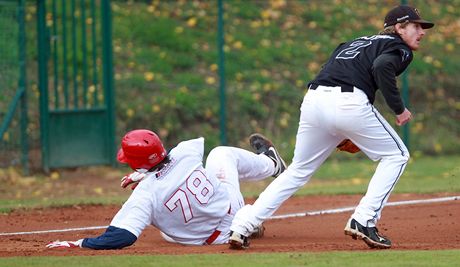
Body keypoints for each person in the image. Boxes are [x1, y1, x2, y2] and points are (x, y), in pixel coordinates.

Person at [228, 5, 434, 250]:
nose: (422, 32)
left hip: (314, 100)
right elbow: (382, 67)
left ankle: (242, 225)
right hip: (348, 102)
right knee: (397, 155)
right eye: (416, 26)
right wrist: (399, 110)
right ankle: (364, 219)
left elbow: (336, 71)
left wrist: (336, 129)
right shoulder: (398, 47)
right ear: (399, 28)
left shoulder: (353, 42)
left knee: (298, 171)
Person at [46, 129, 286, 249]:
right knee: (220, 153)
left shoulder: (145, 194)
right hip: (231, 210)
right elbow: (165, 161)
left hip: (205, 239)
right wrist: (146, 172)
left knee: (166, 229)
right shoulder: (186, 151)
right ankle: (272, 164)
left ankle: (248, 223)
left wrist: (79, 243)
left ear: (136, 163)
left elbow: (122, 236)